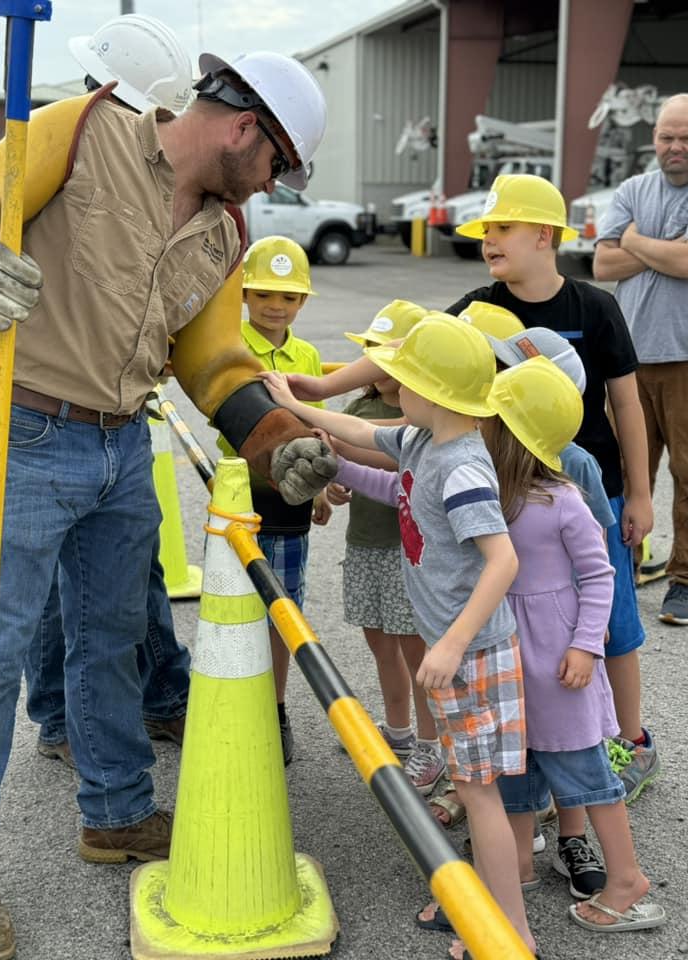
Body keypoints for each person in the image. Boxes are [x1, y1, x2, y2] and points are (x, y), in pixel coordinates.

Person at [0, 49, 336, 960]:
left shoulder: (223, 233)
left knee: (112, 639)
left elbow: (212, 363)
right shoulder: (79, 132)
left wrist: (278, 440)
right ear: (248, 128)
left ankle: (117, 813)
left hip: (121, 447)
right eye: (280, 163)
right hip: (23, 427)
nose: (276, 182)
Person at [262, 315, 537, 959]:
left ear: (434, 393)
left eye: (402, 379)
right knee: (474, 791)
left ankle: (511, 934)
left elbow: (503, 562)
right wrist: (297, 405)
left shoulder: (463, 466)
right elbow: (365, 435)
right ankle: (494, 920)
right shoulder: (426, 441)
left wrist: (447, 645)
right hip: (457, 649)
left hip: (470, 654)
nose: (390, 386)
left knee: (478, 795)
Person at [446, 174, 659, 807]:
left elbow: (627, 406)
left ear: (545, 235)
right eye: (485, 230)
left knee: (612, 623)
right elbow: (421, 365)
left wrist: (641, 497)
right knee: (529, 624)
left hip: (595, 490)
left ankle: (627, 739)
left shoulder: (595, 308)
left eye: (501, 227)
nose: (489, 240)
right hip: (513, 496)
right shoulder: (476, 309)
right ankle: (533, 747)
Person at [25, 14, 196, 770]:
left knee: (99, 591)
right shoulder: (64, 138)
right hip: (44, 413)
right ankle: (70, 718)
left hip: (113, 421)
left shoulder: (156, 184)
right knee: (71, 598)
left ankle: (77, 722)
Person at [483, 356, 665, 935]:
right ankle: (515, 862)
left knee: (582, 770)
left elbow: (601, 574)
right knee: (514, 762)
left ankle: (626, 878)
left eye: (490, 421)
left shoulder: (561, 499)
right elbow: (400, 477)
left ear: (513, 435)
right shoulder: (490, 494)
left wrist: (587, 646)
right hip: (513, 656)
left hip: (559, 664)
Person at [216, 234, 332, 764]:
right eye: (263, 293)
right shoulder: (228, 347)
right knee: (232, 609)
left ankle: (276, 708)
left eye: (287, 297)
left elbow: (318, 430)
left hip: (291, 506)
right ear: (244, 294)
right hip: (239, 495)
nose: (275, 305)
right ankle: (237, 705)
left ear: (304, 303)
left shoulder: (306, 357)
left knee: (281, 612)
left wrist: (324, 486)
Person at [330, 299, 447, 796]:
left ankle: (430, 744)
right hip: (365, 544)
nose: (379, 365)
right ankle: (396, 732)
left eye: (388, 353)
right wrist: (330, 487)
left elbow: (369, 454)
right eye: (372, 352)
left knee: (415, 651)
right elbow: (347, 467)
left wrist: (332, 449)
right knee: (379, 642)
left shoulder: (420, 415)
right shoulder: (357, 408)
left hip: (407, 551)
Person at [593, 93, 688, 626]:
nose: (675, 147)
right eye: (666, 137)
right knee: (627, 473)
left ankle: (684, 580)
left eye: (685, 139)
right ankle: (621, 567)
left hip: (685, 360)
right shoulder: (633, 189)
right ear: (654, 138)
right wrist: (662, 248)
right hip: (628, 361)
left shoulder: (632, 207)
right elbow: (604, 264)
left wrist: (634, 240)